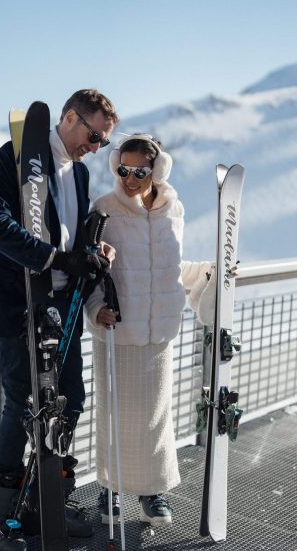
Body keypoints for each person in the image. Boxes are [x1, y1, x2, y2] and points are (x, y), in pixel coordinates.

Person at [0, 89, 119, 551]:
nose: (96, 148)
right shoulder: (18, 157)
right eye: (94, 136)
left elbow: (73, 231)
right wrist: (55, 257)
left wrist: (91, 254)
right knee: (22, 402)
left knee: (69, 398)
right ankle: (5, 509)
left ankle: (44, 498)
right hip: (16, 301)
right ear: (70, 117)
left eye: (103, 143)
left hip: (62, 304)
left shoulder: (80, 171)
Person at [85, 134, 213, 527]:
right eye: (123, 169)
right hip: (119, 331)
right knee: (115, 415)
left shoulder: (173, 210)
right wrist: (95, 309)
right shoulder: (104, 210)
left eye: (139, 170)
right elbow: (89, 270)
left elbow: (171, 267)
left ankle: (152, 493)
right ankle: (109, 489)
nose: (130, 177)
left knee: (156, 418)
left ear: (156, 170)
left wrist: (213, 271)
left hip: (159, 334)